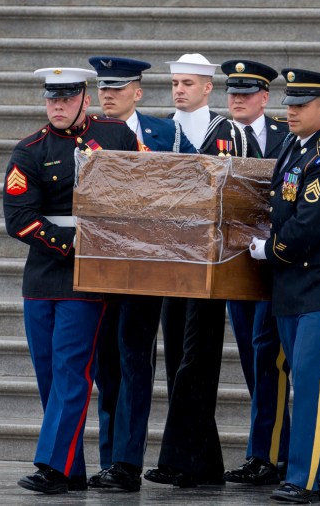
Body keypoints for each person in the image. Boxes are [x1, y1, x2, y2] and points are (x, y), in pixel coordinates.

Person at [4, 67, 138, 494]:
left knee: (69, 369)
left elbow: (143, 188)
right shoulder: (30, 150)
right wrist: (73, 242)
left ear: (84, 99)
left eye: (65, 99)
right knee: (48, 373)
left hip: (88, 280)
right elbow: (19, 218)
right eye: (51, 100)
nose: (57, 107)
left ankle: (54, 467)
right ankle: (72, 466)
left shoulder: (116, 136)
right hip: (44, 275)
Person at [248, 68, 320, 504]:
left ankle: (305, 477)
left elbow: (308, 225)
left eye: (300, 106)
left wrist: (269, 250)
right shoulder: (295, 148)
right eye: (289, 105)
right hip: (296, 286)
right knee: (308, 381)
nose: (291, 112)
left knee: (313, 385)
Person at [84, 55, 196, 492]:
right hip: (101, 263)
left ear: (138, 91)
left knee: (134, 360)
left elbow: (185, 189)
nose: (108, 95)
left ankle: (127, 463)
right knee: (107, 365)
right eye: (103, 88)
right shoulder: (87, 134)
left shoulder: (166, 132)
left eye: (117, 88)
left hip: (147, 264)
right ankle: (110, 456)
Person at [144, 52, 250, 488]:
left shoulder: (229, 132)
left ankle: (181, 458)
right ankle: (198, 461)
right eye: (176, 83)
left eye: (189, 83)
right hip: (171, 258)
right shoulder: (160, 130)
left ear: (208, 87)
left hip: (210, 260)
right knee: (177, 361)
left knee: (197, 360)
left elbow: (239, 189)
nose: (180, 90)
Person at [218, 59, 292, 487]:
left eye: (246, 93)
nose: (237, 100)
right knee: (254, 358)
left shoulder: (286, 135)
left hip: (280, 258)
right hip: (236, 263)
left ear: (265, 97)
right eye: (232, 93)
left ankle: (269, 451)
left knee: (271, 360)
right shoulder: (216, 134)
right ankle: (268, 449)